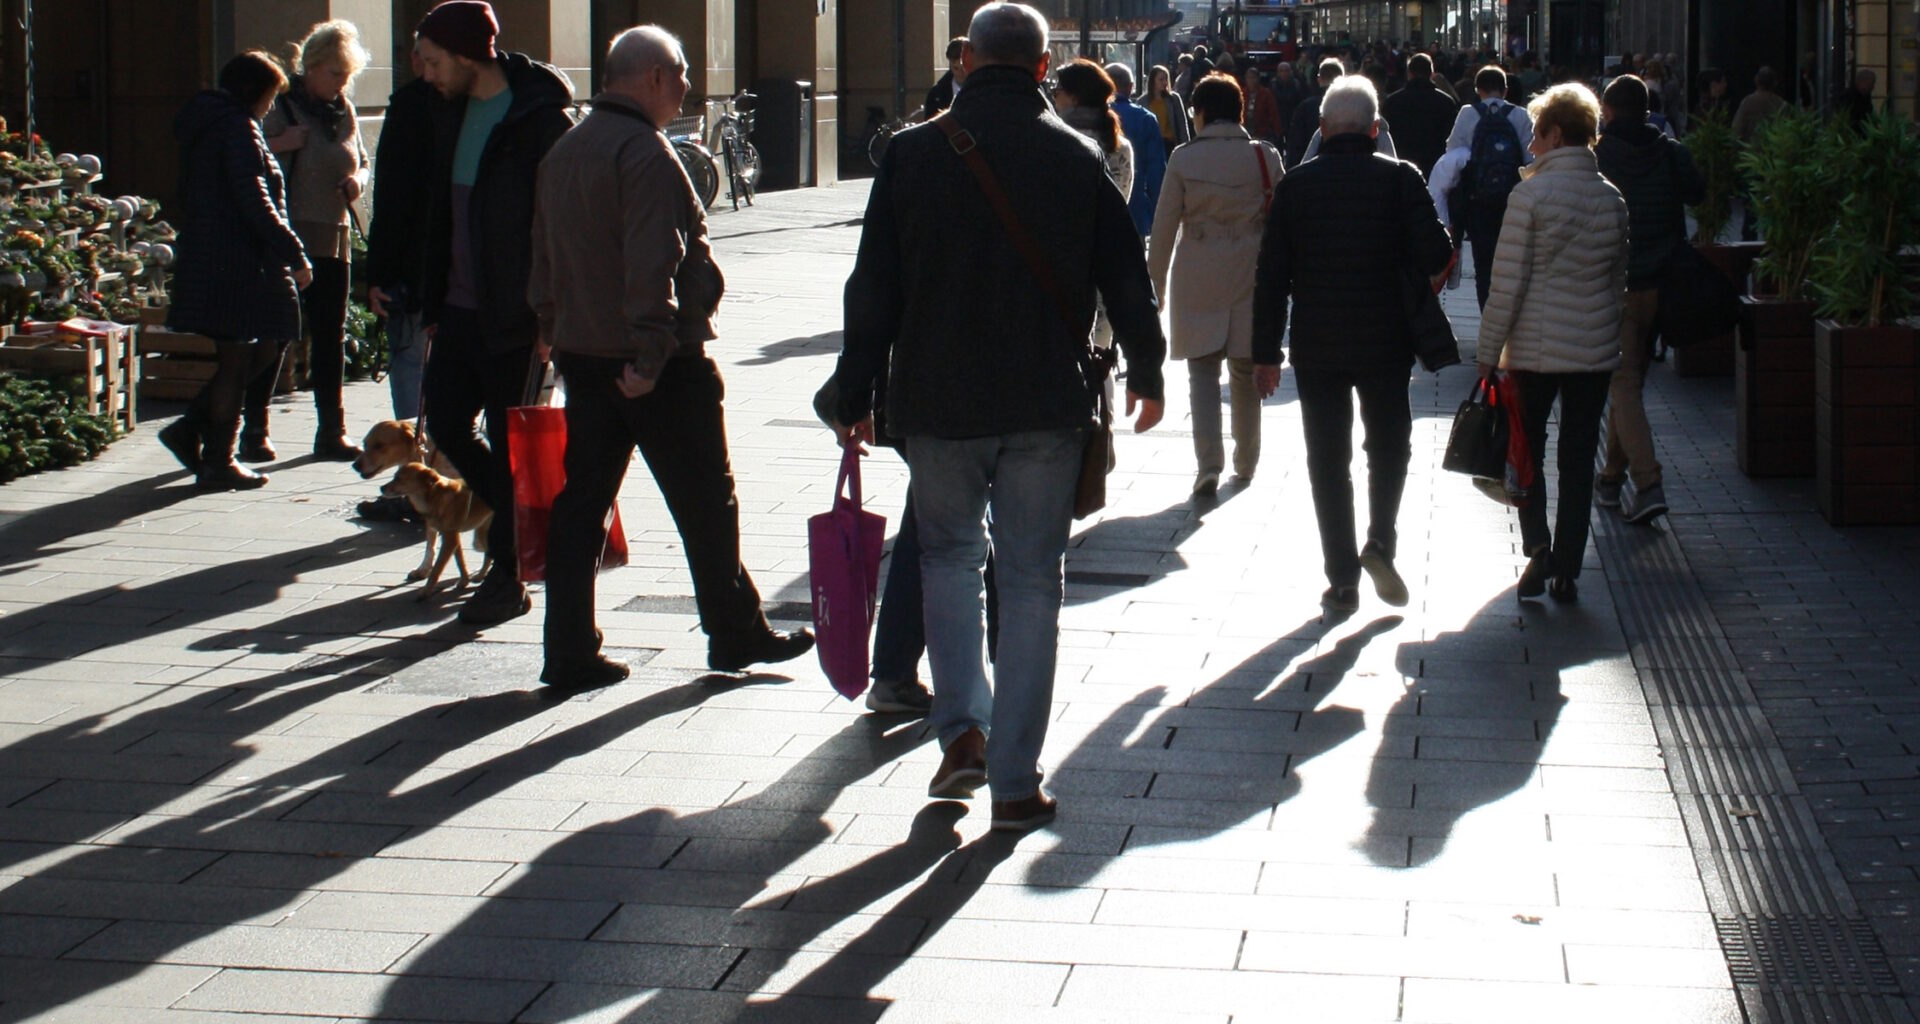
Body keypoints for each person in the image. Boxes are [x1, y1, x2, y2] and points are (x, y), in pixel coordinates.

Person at [829, 2, 1168, 831]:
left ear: (970, 65)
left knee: (946, 557)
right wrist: (1149, 370)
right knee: (1029, 582)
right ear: (1044, 68)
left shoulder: (911, 155)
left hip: (938, 398)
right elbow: (1126, 279)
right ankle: (1016, 779)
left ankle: (964, 731)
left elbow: (873, 285)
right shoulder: (1079, 154)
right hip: (1045, 398)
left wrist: (853, 390)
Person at [529, 26, 814, 691]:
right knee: (706, 502)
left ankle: (568, 648)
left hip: (586, 353)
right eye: (682, 73)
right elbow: (654, 262)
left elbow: (541, 258)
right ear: (653, 77)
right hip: (653, 363)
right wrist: (652, 355)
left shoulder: (567, 149)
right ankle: (734, 631)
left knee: (581, 506)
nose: (688, 85)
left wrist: (553, 330)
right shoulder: (645, 153)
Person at [1252, 73, 1452, 614]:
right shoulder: (1402, 179)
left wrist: (1265, 354)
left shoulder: (1296, 185)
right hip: (1386, 340)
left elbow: (1270, 277)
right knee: (1388, 444)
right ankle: (1380, 540)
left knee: (1327, 457)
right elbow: (1438, 253)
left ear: (1321, 128)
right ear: (1375, 129)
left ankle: (1341, 576)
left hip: (1317, 342)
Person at [414, 0, 576, 626]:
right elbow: (439, 213)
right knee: (448, 426)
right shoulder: (446, 111)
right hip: (456, 309)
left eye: (432, 62)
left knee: (512, 444)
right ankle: (512, 520)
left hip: (514, 312)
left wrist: (549, 314)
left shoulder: (538, 116)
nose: (426, 74)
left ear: (464, 56)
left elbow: (559, 223)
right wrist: (428, 296)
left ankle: (508, 574)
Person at [1476, 82, 1629, 602]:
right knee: (1579, 455)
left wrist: (1488, 353)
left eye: (1537, 132)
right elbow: (1616, 282)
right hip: (1591, 351)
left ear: (1555, 133)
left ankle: (1539, 547)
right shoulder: (1612, 200)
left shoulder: (1530, 196)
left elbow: (1508, 284)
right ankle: (1568, 563)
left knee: (1529, 448)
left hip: (1535, 351)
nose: (1532, 143)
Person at [157, 52, 312, 492]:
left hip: (216, 258)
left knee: (256, 348)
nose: (270, 106)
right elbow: (255, 199)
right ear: (254, 92)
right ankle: (218, 458)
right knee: (242, 355)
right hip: (239, 263)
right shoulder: (237, 127)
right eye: (269, 96)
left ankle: (191, 431)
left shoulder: (208, 124)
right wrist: (295, 252)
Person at [1149, 72, 1279, 498]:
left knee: (1201, 372)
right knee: (1244, 369)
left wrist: (1156, 286)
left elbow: (1164, 227)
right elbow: (1281, 224)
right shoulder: (1264, 156)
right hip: (1251, 269)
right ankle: (1247, 459)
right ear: (1239, 110)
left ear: (1200, 112)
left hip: (1197, 271)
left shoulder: (1184, 159)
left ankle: (1208, 464)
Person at [255, 20, 371, 463]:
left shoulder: (344, 110)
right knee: (278, 332)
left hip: (334, 235)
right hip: (292, 236)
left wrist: (357, 182)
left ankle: (331, 431)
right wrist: (281, 141)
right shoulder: (282, 107)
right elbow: (256, 161)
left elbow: (362, 161)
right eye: (334, 73)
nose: (341, 83)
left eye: (346, 75)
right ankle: (255, 429)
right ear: (312, 67)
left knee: (329, 335)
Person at [1594, 74, 1703, 526]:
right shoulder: (1670, 152)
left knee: (1623, 381)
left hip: (1615, 283)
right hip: (1661, 282)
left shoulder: (1597, 157)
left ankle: (1648, 481)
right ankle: (1611, 477)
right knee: (1631, 381)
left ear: (1608, 110)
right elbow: (1698, 195)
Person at [1447, 64, 1534, 308]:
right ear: (1505, 90)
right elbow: (1530, 160)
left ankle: (1487, 314)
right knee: (1511, 261)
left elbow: (1453, 152)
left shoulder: (1467, 113)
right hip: (1512, 200)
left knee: (1483, 263)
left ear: (1478, 89)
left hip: (1478, 200)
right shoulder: (1520, 115)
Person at [1106, 63, 1168, 237]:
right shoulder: (1145, 119)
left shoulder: (1092, 115)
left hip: (1096, 211)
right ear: (1131, 87)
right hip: (1135, 208)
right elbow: (1156, 170)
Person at [1382, 52, 1462, 179]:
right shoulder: (1446, 102)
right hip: (1435, 165)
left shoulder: (1392, 101)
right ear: (1431, 74)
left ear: (1409, 74)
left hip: (1402, 164)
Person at [1284, 58, 1344, 167]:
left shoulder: (1305, 107)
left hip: (1311, 171)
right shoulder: (1352, 107)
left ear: (1319, 79)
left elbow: (1296, 145)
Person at [1142, 64, 1192, 156]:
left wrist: (1185, 146)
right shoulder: (1143, 101)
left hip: (1170, 144)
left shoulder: (1173, 98)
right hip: (1152, 145)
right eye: (1161, 80)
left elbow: (1182, 124)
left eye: (1166, 79)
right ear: (1153, 81)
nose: (1165, 82)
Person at [920, 37, 968, 120]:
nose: (960, 73)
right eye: (956, 68)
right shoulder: (937, 94)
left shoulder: (984, 88)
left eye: (964, 68)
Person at [1242, 65, 1284, 145]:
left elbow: (1273, 113)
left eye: (1253, 78)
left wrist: (1277, 131)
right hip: (1245, 131)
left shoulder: (1266, 94)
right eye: (1249, 78)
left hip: (1262, 133)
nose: (1251, 80)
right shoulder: (1242, 93)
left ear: (1258, 79)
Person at [1269, 59, 1307, 129]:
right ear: (1278, 73)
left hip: (1293, 118)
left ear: (1291, 72)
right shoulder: (1273, 85)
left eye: (1286, 71)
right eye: (1281, 71)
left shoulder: (1297, 85)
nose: (1284, 73)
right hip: (1278, 118)